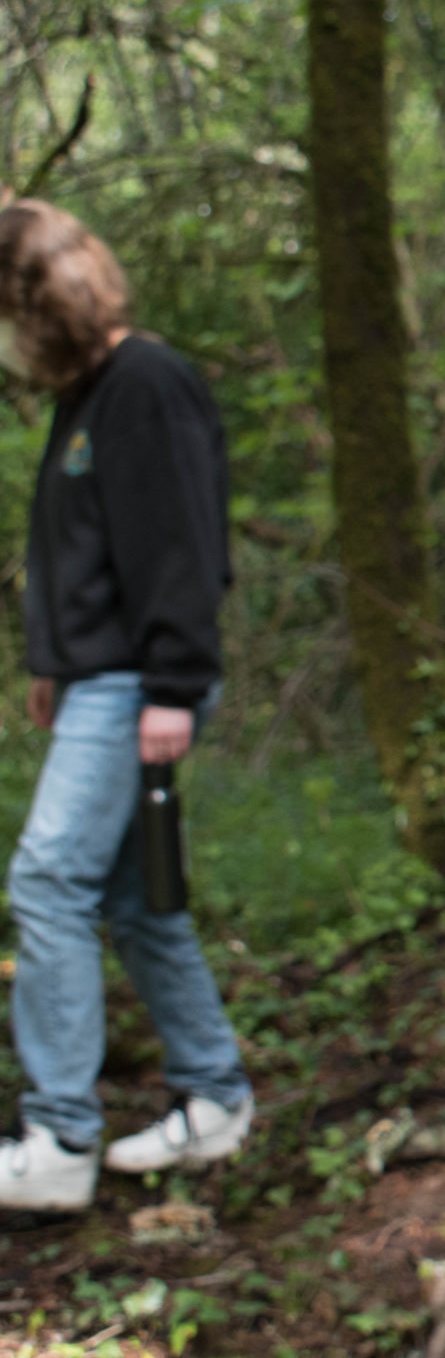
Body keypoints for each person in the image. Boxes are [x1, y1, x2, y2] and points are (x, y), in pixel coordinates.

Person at [0, 199, 251, 1212]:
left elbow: (182, 546)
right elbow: (89, 551)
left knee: (46, 880)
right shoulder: (87, 397)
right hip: (101, 680)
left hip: (140, 684)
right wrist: (53, 661)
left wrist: (174, 688)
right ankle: (214, 1097)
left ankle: (59, 1138)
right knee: (134, 899)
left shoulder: (145, 382)